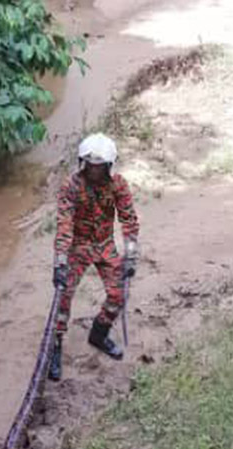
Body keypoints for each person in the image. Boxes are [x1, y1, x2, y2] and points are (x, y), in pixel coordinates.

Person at [48, 133, 141, 381]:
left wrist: (130, 256)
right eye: (90, 165)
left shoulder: (118, 185)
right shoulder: (71, 186)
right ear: (83, 162)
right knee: (63, 297)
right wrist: (60, 261)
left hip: (104, 244)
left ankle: (99, 334)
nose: (94, 170)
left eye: (99, 166)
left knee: (118, 294)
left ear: (109, 165)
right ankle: (55, 346)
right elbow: (64, 224)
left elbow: (129, 220)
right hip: (78, 246)